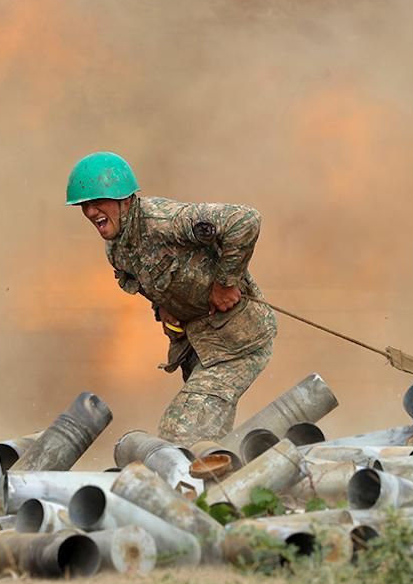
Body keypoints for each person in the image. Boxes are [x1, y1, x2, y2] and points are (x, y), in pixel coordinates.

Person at [66, 151, 277, 446]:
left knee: (181, 433)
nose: (90, 212)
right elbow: (148, 281)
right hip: (198, 346)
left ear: (125, 199)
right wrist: (162, 308)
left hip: (237, 341)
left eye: (97, 202)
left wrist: (225, 283)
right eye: (84, 205)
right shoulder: (117, 249)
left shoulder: (167, 221)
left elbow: (245, 221)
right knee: (208, 437)